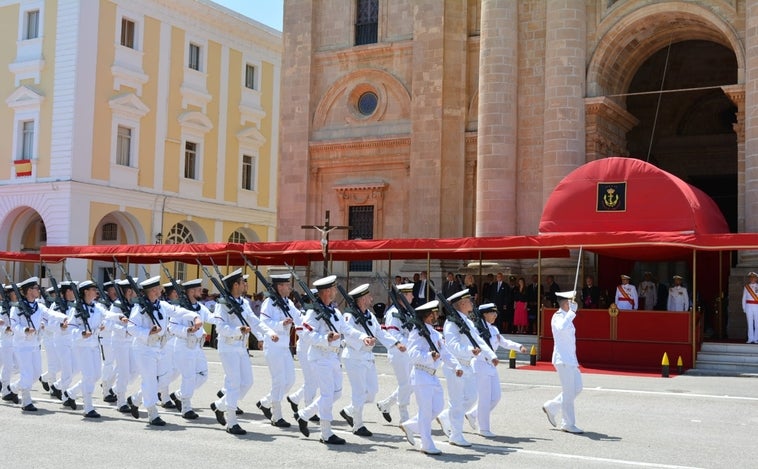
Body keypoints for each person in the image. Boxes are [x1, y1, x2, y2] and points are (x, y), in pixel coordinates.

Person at [293, 274, 372, 445]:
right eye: (333, 288)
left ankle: (303, 415)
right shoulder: (314, 313)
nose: (336, 291)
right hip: (320, 356)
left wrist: (362, 337)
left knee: (337, 393)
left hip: (333, 357)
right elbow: (305, 333)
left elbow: (346, 329)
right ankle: (326, 433)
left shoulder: (334, 311)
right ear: (327, 291)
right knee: (328, 394)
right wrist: (325, 337)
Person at [209, 268, 279, 435]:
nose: (245, 284)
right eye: (242, 282)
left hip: (241, 346)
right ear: (235, 285)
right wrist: (238, 330)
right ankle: (231, 421)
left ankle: (220, 406)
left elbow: (253, 321)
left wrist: (268, 334)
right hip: (228, 346)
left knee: (247, 382)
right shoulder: (222, 305)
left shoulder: (243, 303)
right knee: (234, 384)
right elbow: (220, 327)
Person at [339, 284, 406, 437]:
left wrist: (395, 343)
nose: (371, 298)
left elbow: (379, 332)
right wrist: (363, 339)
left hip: (367, 357)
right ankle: (358, 425)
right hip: (354, 356)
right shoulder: (349, 316)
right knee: (359, 392)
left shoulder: (369, 315)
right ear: (361, 299)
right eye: (368, 296)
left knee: (372, 392)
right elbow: (348, 333)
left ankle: (349, 411)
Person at [398, 300, 462, 456]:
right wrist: (429, 356)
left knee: (438, 407)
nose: (437, 315)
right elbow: (412, 355)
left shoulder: (434, 333)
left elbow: (445, 353)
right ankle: (426, 443)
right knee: (426, 412)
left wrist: (456, 366)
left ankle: (411, 425)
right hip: (421, 374)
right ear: (427, 315)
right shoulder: (417, 333)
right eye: (434, 313)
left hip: (432, 376)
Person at [437, 289, 498, 447]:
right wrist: (470, 350)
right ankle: (456, 435)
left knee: (471, 397)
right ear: (462, 303)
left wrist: (490, 355)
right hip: (455, 365)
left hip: (467, 365)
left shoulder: (467, 321)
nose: (472, 302)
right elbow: (452, 346)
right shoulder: (451, 323)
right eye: (469, 300)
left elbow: (478, 339)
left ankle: (446, 417)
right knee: (456, 401)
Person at [7, 276, 68, 411]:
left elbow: (51, 314)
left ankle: (13, 388)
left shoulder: (39, 306)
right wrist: (25, 330)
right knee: (27, 374)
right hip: (21, 345)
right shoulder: (16, 308)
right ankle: (26, 402)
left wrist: (65, 318)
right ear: (29, 291)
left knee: (36, 374)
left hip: (35, 345)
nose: (38, 290)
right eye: (35, 288)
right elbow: (13, 326)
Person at [467, 303, 526, 437]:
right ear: (484, 314)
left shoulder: (494, 329)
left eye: (495, 313)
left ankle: (473, 414)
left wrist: (519, 346)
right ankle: (484, 428)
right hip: (481, 364)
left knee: (496, 397)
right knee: (485, 398)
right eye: (492, 313)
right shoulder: (476, 329)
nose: (495, 315)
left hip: (491, 366)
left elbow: (504, 342)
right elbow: (478, 347)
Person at [126, 276, 173, 426]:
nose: (161, 290)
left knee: (164, 378)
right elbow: (131, 327)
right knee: (150, 380)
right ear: (153, 290)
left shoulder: (161, 305)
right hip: (144, 348)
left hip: (159, 347)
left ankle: (136, 399)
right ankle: (152, 414)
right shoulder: (139, 308)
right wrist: (148, 332)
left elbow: (177, 311)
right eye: (159, 287)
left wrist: (195, 316)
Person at [256, 273, 302, 428]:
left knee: (290, 380)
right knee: (279, 381)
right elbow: (264, 322)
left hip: (284, 346)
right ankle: (277, 415)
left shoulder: (287, 302)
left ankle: (265, 402)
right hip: (273, 344)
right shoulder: (269, 302)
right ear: (279, 287)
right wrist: (281, 323)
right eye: (286, 285)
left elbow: (299, 317)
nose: (289, 288)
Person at [62, 280, 107, 418]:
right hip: (82, 346)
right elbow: (70, 327)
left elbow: (107, 315)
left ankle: (71, 393)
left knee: (96, 375)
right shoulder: (76, 309)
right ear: (86, 292)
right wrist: (81, 334)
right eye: (93, 289)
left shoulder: (97, 307)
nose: (96, 291)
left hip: (94, 345)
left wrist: (119, 318)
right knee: (88, 375)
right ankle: (88, 408)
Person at [167, 278, 210, 420]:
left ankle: (179, 395)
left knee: (203, 374)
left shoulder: (200, 307)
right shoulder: (180, 308)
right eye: (198, 289)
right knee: (188, 376)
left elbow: (211, 317)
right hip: (183, 345)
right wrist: (188, 330)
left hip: (197, 346)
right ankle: (186, 408)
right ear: (191, 291)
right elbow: (172, 327)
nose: (201, 291)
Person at [542, 291, 583, 434]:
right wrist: (571, 314)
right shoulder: (558, 316)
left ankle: (552, 407)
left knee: (577, 387)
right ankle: (568, 423)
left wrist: (571, 314)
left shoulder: (567, 316)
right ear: (566, 303)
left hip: (571, 359)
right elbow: (560, 329)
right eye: (571, 302)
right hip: (562, 359)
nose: (573, 304)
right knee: (569, 392)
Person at [377, 282, 414, 424]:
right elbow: (393, 334)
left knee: (409, 385)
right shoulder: (393, 313)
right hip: (398, 353)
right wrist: (411, 344)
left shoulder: (408, 311)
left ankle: (386, 404)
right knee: (406, 385)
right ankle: (404, 418)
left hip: (408, 353)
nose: (413, 296)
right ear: (403, 296)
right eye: (410, 294)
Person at [742, 272, 758, 344]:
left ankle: (756, 338)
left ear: (756, 278)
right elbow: (744, 298)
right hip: (748, 306)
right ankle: (750, 338)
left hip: (757, 306)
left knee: (757, 323)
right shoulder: (746, 287)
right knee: (750, 323)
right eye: (750, 277)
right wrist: (744, 307)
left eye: (753, 277)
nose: (752, 278)